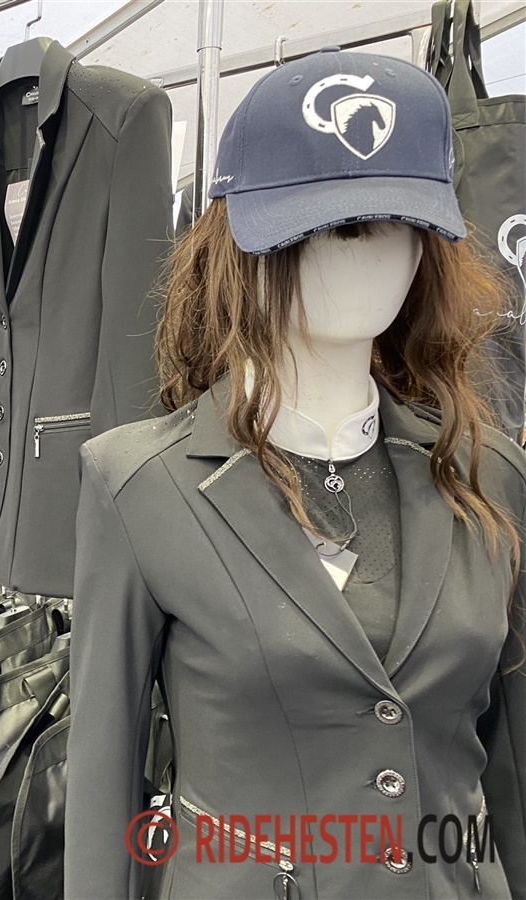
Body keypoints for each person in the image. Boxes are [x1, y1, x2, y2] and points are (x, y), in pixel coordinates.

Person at [65, 49, 525, 898]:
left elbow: (514, 770)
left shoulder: (490, 475)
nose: (359, 255)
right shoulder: (139, 486)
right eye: (320, 228)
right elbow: (103, 791)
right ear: (241, 245)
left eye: (392, 223)